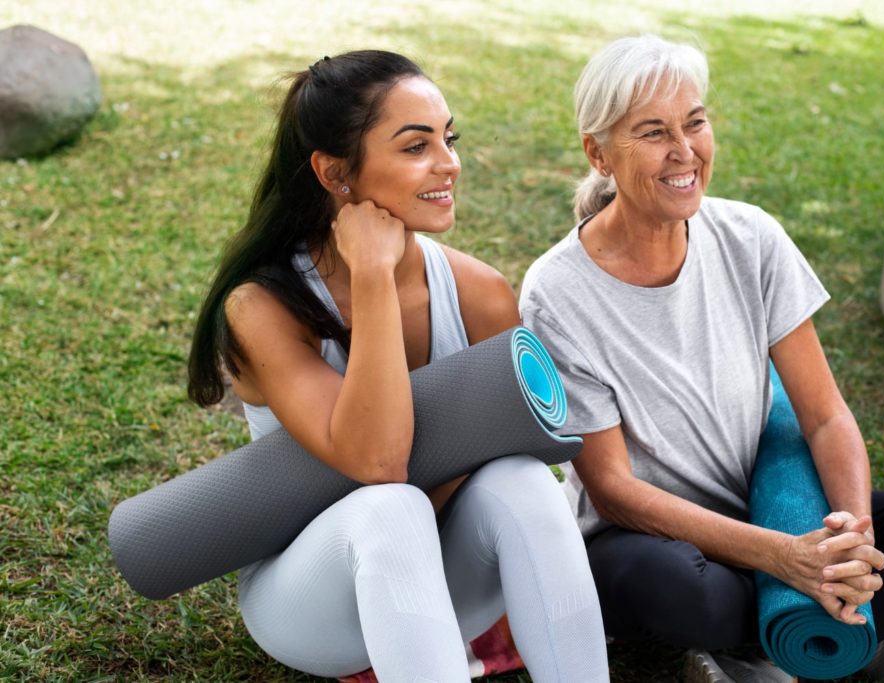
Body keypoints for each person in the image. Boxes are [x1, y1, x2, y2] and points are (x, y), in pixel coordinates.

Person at [519, 35, 884, 683]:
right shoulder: (557, 291)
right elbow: (615, 491)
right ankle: (846, 629)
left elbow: (823, 415)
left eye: (695, 123)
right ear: (598, 153)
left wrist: (852, 543)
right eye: (653, 132)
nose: (684, 151)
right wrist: (782, 556)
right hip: (657, 538)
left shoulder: (750, 237)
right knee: (663, 586)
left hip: (772, 503)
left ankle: (799, 632)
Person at [186, 49, 608, 682]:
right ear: (335, 175)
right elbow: (377, 465)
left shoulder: (480, 293)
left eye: (449, 138)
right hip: (312, 603)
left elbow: (522, 452)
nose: (449, 164)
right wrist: (374, 274)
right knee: (390, 507)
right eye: (415, 147)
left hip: (442, 582)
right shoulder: (264, 307)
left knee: (524, 481)